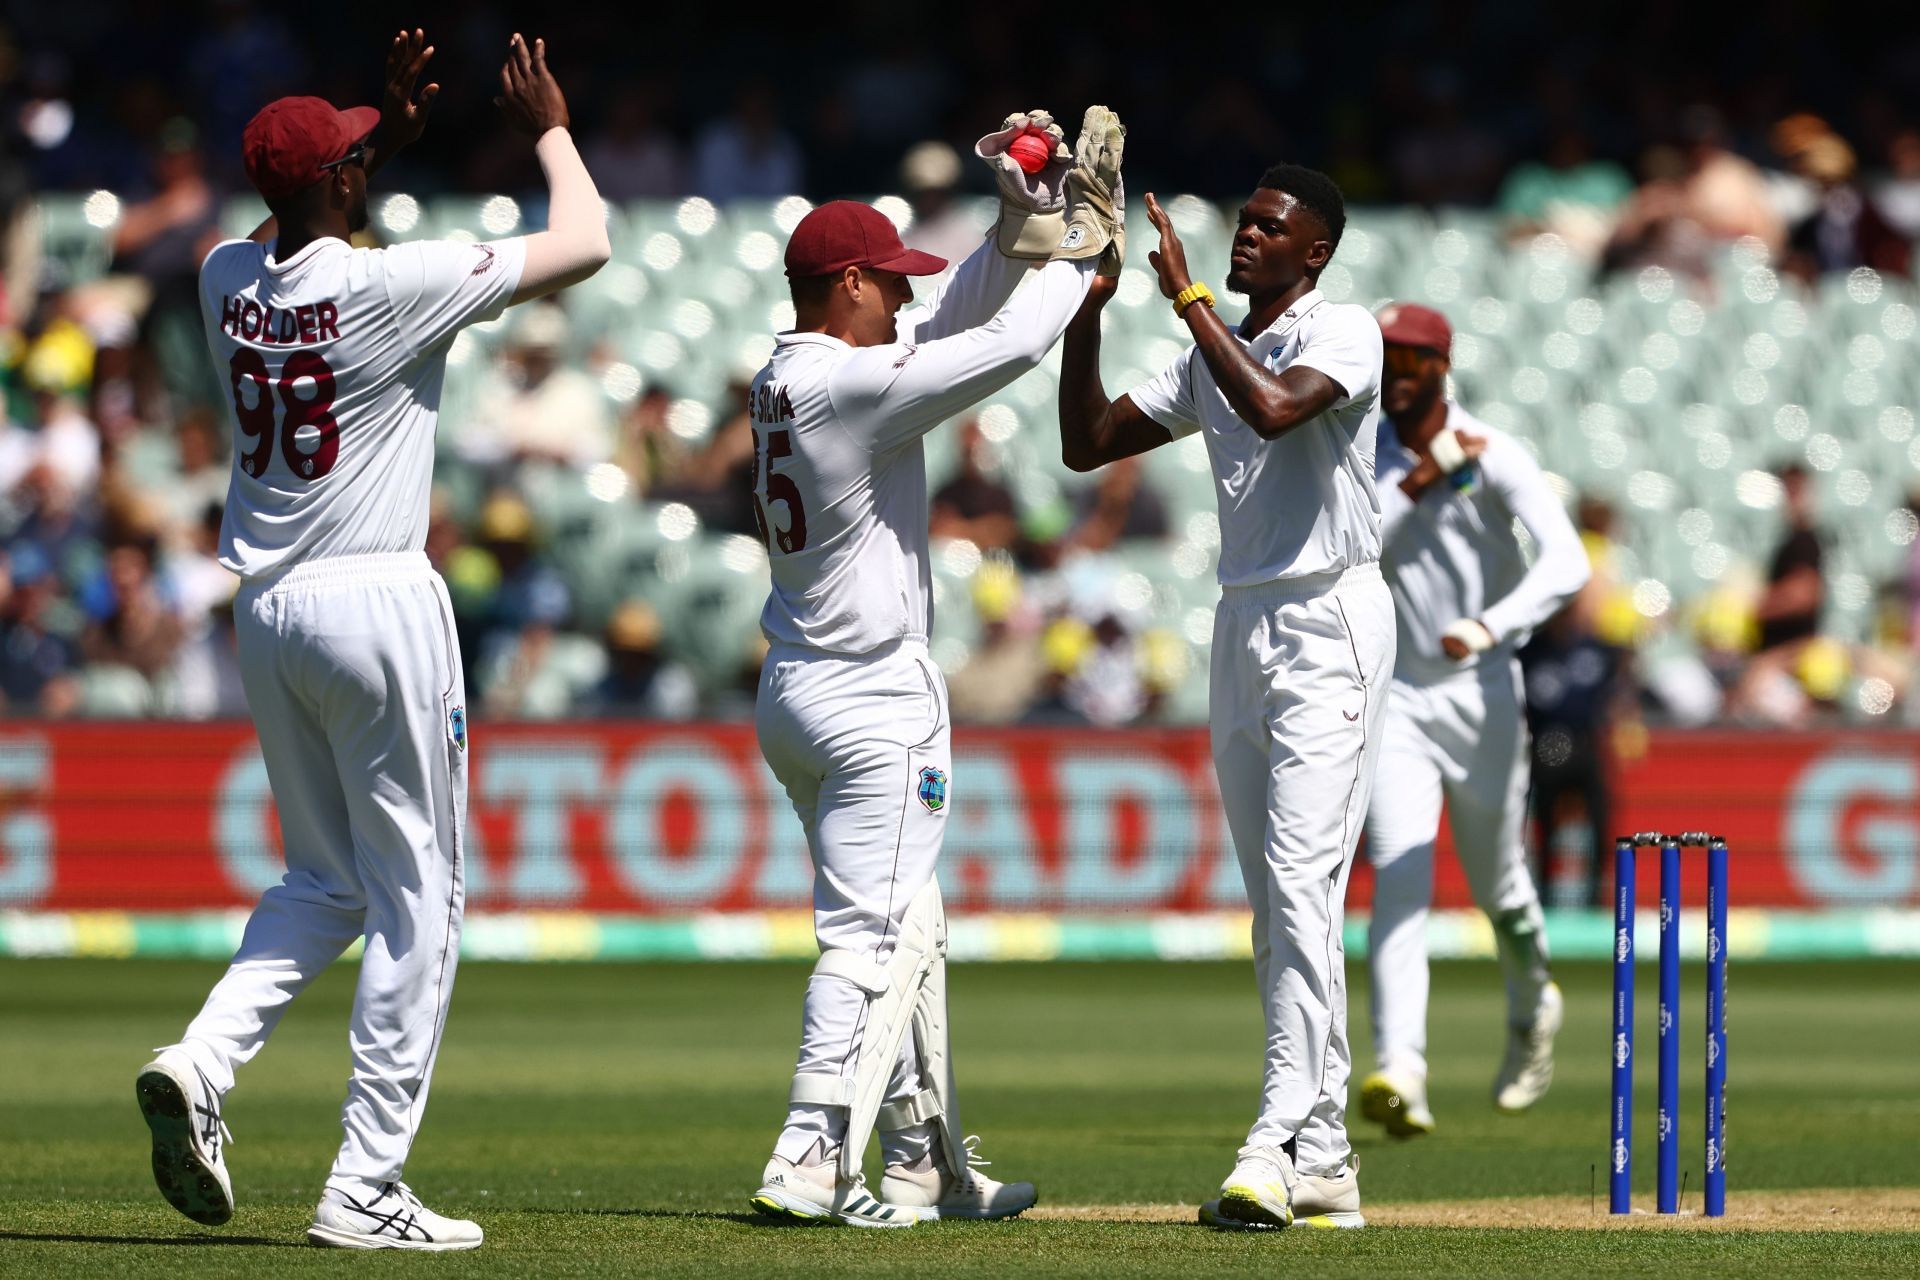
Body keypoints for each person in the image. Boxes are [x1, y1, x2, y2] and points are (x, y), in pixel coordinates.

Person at [133, 30, 609, 1251]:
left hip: (268, 610)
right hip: (379, 601)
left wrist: (374, 144)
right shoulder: (394, 286)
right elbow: (587, 241)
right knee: (421, 897)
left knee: (322, 879)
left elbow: (305, 222)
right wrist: (547, 124)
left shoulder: (224, 274)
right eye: (355, 157)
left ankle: (202, 1059)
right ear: (338, 183)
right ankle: (365, 1182)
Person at [747, 107, 1122, 1228]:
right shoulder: (853, 389)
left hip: (799, 689)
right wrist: (1085, 243)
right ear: (850, 283)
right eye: (892, 281)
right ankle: (811, 1154)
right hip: (873, 698)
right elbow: (1005, 346)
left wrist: (1027, 211)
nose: (908, 294)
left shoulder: (796, 372)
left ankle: (923, 1158)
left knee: (915, 925)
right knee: (868, 936)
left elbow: (958, 313)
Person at [1057, 165, 1391, 1231]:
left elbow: (1280, 407)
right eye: (1244, 222)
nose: (1248, 236)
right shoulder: (1214, 349)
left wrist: (1193, 302)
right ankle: (1329, 1151)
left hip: (1331, 617)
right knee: (1280, 904)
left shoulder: (1345, 335)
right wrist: (1087, 313)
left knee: (1300, 885)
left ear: (1316, 252)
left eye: (1270, 227)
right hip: (1243, 621)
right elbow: (1087, 443)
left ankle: (1274, 1143)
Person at [1356, 302, 1589, 1141]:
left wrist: (1493, 626)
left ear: (1441, 364)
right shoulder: (1365, 452)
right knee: (1399, 873)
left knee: (1501, 890)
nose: (1394, 372)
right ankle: (1401, 1069)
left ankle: (1534, 1011)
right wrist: (1418, 486)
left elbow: (1569, 560)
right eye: (1384, 357)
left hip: (1484, 691)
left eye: (1410, 358)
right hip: (1401, 700)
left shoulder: (1495, 453)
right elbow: (1353, 547)